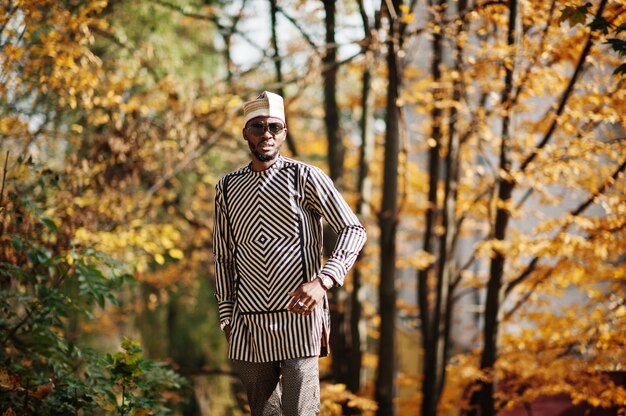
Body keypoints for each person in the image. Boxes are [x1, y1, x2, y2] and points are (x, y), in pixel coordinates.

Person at [213, 91, 367, 416]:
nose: (266, 134)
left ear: (284, 131)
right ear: (245, 132)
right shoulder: (226, 188)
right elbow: (223, 257)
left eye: (274, 127)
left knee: (301, 413)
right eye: (258, 127)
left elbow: (353, 229)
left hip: (301, 321)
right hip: (249, 326)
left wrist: (324, 281)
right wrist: (227, 317)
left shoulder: (306, 177)